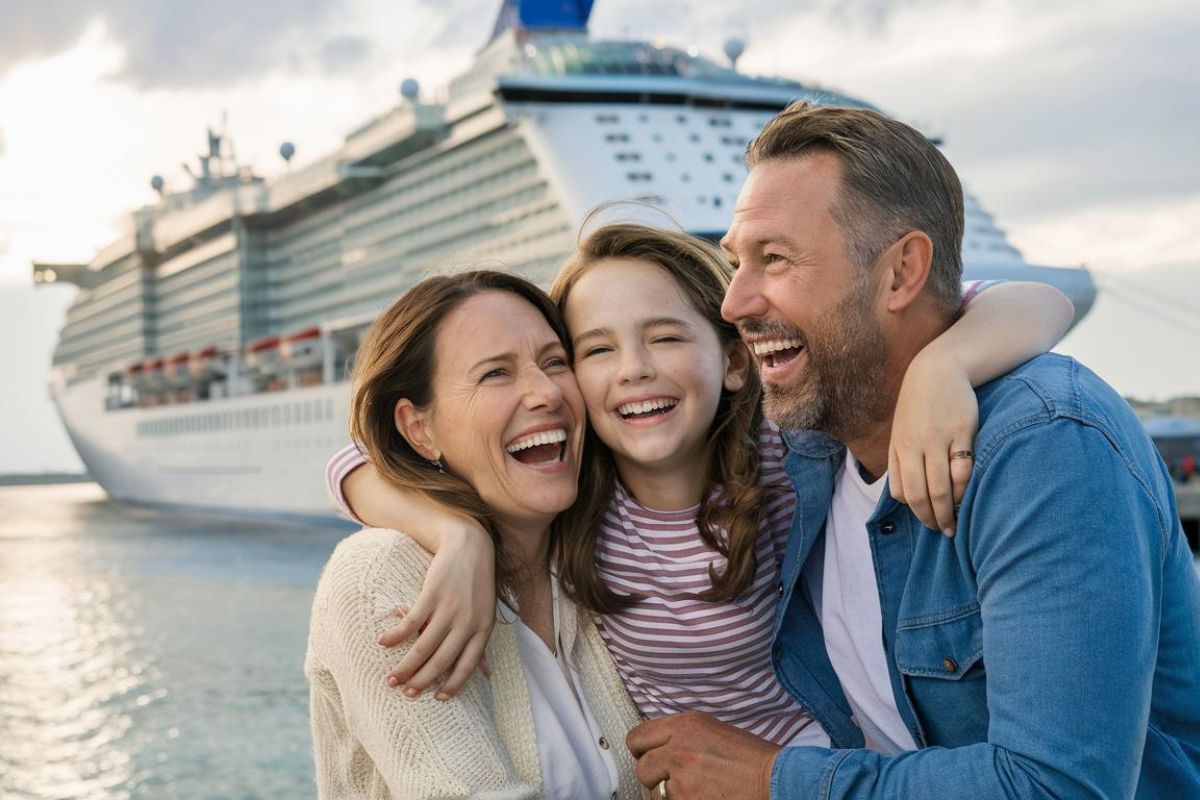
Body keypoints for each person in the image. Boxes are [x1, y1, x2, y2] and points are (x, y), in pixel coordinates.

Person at [624, 102, 1200, 799]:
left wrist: (772, 779)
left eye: (774, 259)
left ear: (901, 273)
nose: (735, 302)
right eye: (736, 263)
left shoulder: (1044, 449)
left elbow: (1057, 788)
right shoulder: (804, 435)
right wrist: (458, 536)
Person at [326, 223, 1072, 750]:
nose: (634, 369)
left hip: (818, 765)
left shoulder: (785, 459)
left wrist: (943, 368)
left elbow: (1040, 302)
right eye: (594, 350)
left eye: (667, 336)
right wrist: (454, 535)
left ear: (736, 362)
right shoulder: (577, 489)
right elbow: (356, 458)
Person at [304, 271, 644, 799]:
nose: (546, 392)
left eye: (555, 362)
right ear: (419, 429)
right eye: (495, 374)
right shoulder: (380, 579)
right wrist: (462, 532)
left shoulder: (604, 548)